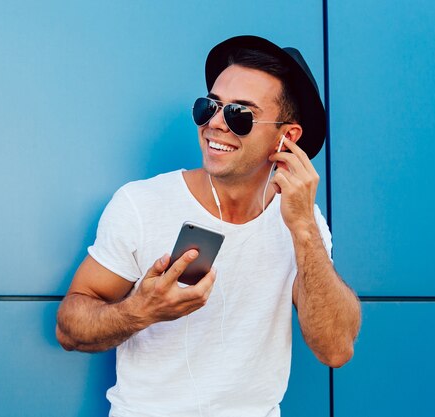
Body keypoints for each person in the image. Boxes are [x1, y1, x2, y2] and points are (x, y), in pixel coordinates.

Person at [56, 35, 361, 417]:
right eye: (209, 107)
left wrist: (303, 228)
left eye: (240, 114)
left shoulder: (305, 224)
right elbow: (69, 328)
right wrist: (140, 311)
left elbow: (335, 348)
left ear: (287, 137)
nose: (215, 124)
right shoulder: (140, 204)